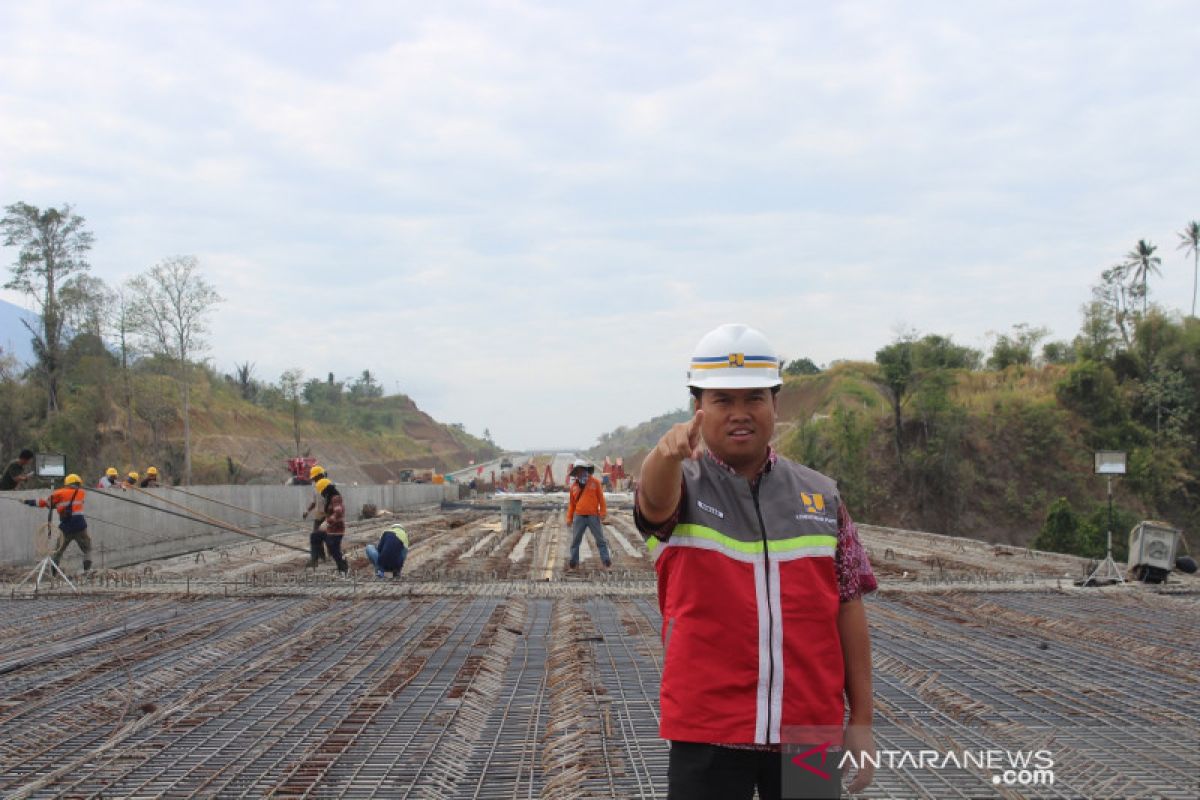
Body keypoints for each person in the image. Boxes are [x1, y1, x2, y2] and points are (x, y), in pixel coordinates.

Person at [634, 323, 877, 800]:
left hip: (808, 732)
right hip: (708, 729)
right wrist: (663, 455)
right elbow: (653, 503)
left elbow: (849, 606)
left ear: (775, 404)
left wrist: (862, 721)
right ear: (698, 408)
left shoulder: (820, 496)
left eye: (754, 399)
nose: (740, 414)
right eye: (723, 401)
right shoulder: (684, 486)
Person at [24, 473, 92, 572]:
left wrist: (29, 502)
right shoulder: (81, 492)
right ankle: (87, 571)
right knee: (87, 549)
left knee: (58, 551)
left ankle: (54, 573)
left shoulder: (59, 493)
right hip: (80, 525)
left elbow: (47, 503)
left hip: (66, 526)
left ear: (67, 483)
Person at [566, 459, 611, 570]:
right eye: (577, 470)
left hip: (593, 516)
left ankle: (606, 562)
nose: (579, 472)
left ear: (585, 469)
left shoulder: (595, 482)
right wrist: (569, 518)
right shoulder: (574, 486)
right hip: (579, 517)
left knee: (600, 540)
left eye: (581, 469)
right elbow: (572, 504)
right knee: (576, 541)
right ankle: (573, 562)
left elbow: (601, 499)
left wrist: (603, 512)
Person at [314, 477, 348, 574]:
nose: (322, 493)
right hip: (332, 529)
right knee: (333, 549)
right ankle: (342, 567)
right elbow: (330, 513)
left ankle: (343, 567)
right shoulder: (330, 498)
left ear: (326, 489)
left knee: (334, 549)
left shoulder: (335, 497)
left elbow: (338, 512)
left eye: (322, 491)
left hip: (337, 528)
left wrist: (327, 522)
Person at [303, 465, 329, 565]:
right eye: (314, 478)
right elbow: (314, 503)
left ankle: (332, 557)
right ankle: (316, 559)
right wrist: (307, 511)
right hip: (318, 517)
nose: (314, 480)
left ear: (321, 476)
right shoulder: (316, 488)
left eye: (315, 477)